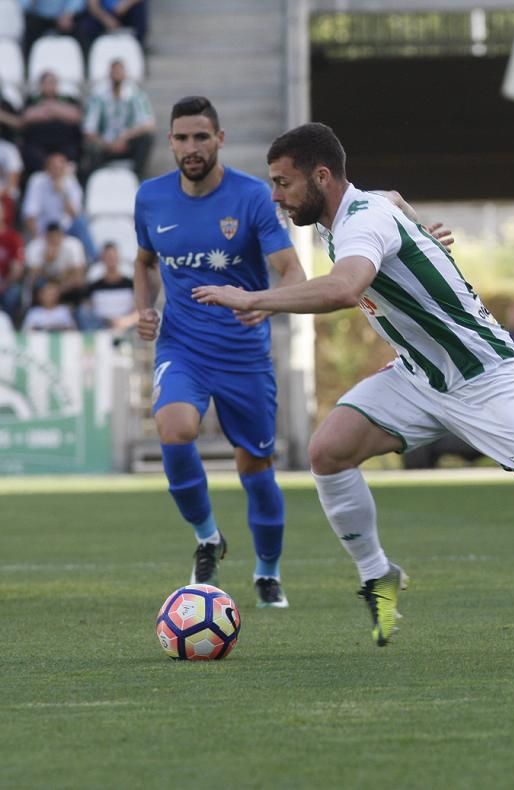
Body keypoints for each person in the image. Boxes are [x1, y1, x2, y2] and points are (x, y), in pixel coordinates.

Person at [192, 122, 514, 655]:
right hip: (420, 376)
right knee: (327, 452)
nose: (276, 197)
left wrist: (251, 299)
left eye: (284, 183)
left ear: (322, 177)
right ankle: (378, 574)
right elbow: (395, 199)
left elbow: (344, 288)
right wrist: (421, 233)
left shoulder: (364, 219)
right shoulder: (357, 212)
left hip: (486, 377)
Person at [133, 96, 306, 609]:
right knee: (174, 427)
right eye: (182, 138)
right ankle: (208, 536)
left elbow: (292, 273)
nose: (191, 148)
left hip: (243, 355)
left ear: (220, 139)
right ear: (170, 142)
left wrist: (266, 305)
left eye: (201, 137)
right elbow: (143, 264)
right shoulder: (151, 198)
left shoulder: (253, 198)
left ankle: (268, 573)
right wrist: (145, 309)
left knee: (255, 466)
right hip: (181, 345)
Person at [81, 58, 155, 180]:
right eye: (114, 71)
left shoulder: (135, 94)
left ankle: (138, 178)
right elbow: (88, 130)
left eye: (120, 71)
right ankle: (94, 181)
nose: (117, 75)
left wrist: (125, 137)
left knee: (147, 138)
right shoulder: (97, 96)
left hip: (127, 144)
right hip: (104, 145)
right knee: (91, 148)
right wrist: (107, 144)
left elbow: (149, 124)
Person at [21, 151, 96, 261]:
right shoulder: (37, 181)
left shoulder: (70, 182)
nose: (57, 171)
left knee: (81, 222)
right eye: (53, 167)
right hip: (45, 231)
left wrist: (62, 193)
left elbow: (75, 214)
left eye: (60, 167)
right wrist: (40, 238)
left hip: (65, 230)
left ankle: (95, 259)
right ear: (47, 168)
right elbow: (30, 214)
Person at [20, 72, 84, 175]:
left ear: (57, 84)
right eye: (46, 83)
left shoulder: (68, 98)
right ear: (40, 85)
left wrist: (49, 107)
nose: (49, 86)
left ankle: (62, 173)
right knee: (30, 153)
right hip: (38, 144)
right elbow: (26, 117)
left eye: (52, 83)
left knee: (73, 151)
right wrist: (59, 111)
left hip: (64, 143)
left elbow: (76, 115)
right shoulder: (32, 99)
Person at [78, 240, 136, 330]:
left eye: (113, 256)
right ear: (102, 259)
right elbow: (86, 308)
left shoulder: (131, 284)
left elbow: (140, 310)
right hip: (100, 327)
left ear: (118, 257)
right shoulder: (93, 286)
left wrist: (126, 321)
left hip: (127, 326)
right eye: (108, 257)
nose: (111, 259)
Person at [80, 0, 149, 50]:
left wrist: (125, 4)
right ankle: (90, 54)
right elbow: (92, 4)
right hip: (104, 13)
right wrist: (106, 19)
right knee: (87, 25)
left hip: (127, 10)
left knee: (139, 10)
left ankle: (138, 49)